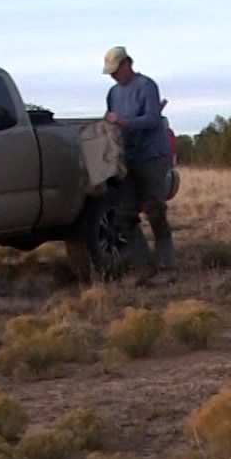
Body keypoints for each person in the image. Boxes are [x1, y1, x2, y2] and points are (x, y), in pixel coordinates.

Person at [102, 45, 174, 283]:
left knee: (154, 208)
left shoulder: (146, 86)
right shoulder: (113, 93)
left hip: (152, 156)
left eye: (116, 70)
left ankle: (165, 261)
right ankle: (143, 264)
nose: (113, 75)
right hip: (127, 158)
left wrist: (123, 122)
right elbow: (111, 119)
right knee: (124, 214)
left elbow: (153, 120)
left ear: (128, 64)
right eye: (110, 72)